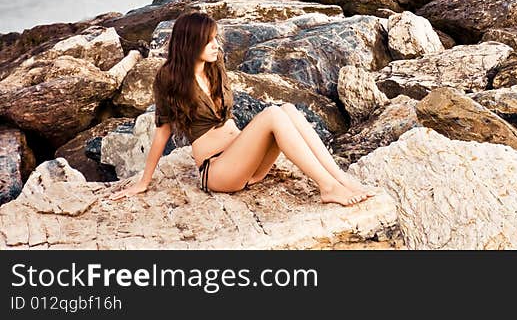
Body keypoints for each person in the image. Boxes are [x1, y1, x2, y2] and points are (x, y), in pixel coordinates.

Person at [107, 11, 377, 206]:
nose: (216, 45)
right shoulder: (170, 79)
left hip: (248, 165)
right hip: (219, 172)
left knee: (288, 110)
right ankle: (328, 187)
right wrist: (143, 182)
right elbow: (162, 133)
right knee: (272, 114)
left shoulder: (215, 67)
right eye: (208, 41)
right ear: (190, 43)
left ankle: (340, 179)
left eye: (215, 39)